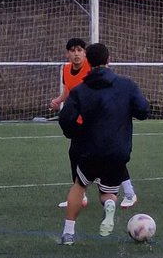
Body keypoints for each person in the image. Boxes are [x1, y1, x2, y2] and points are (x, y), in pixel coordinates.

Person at [57, 42, 149, 244]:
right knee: (108, 191)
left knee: (79, 186)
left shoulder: (81, 90)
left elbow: (65, 118)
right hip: (118, 150)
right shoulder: (126, 85)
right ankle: (109, 206)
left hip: (89, 149)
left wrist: (75, 132)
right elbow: (143, 110)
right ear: (109, 60)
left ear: (88, 61)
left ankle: (68, 233)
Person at [51, 37, 138, 210]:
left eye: (80, 50)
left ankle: (129, 193)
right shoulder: (66, 70)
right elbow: (70, 91)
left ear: (86, 54)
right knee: (75, 154)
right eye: (73, 50)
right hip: (79, 123)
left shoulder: (92, 70)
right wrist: (59, 100)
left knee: (110, 156)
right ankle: (80, 196)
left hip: (96, 122)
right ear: (67, 53)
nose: (76, 54)